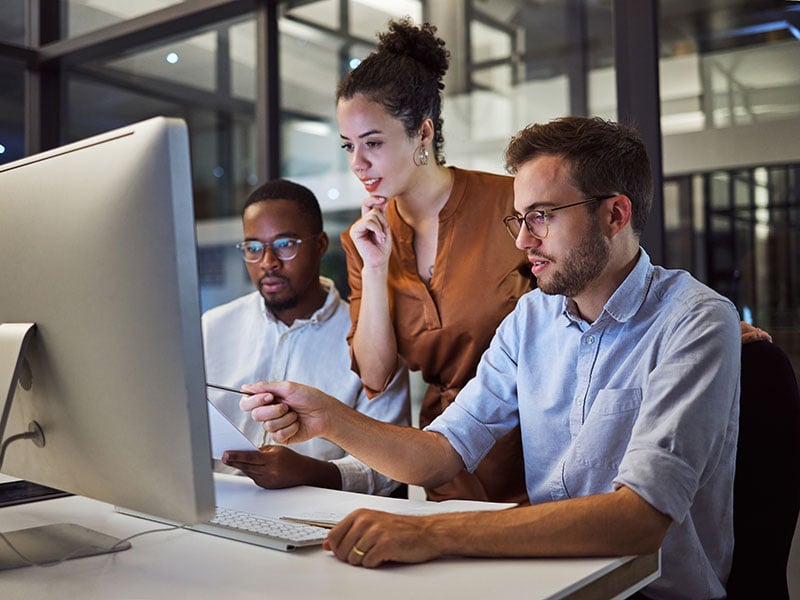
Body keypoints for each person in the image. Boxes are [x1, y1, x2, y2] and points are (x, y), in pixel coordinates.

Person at [239, 117, 742, 599]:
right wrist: (328, 417)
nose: (523, 241)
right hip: (551, 580)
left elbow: (638, 520)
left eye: (542, 216)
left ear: (615, 214)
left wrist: (437, 534)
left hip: (646, 593)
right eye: (520, 219)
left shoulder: (694, 321)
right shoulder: (531, 319)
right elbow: (440, 455)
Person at [337, 17, 534, 503]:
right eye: (349, 146)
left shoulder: (512, 202)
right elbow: (377, 376)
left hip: (536, 447)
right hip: (444, 459)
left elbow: (593, 286)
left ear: (422, 132)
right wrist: (377, 266)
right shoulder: (363, 240)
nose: (357, 164)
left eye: (373, 143)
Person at [202, 179, 410, 496]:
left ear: (320, 245)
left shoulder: (370, 341)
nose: (267, 262)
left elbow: (392, 469)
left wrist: (310, 472)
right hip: (217, 505)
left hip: (318, 518)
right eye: (253, 248)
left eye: (285, 244)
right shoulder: (213, 328)